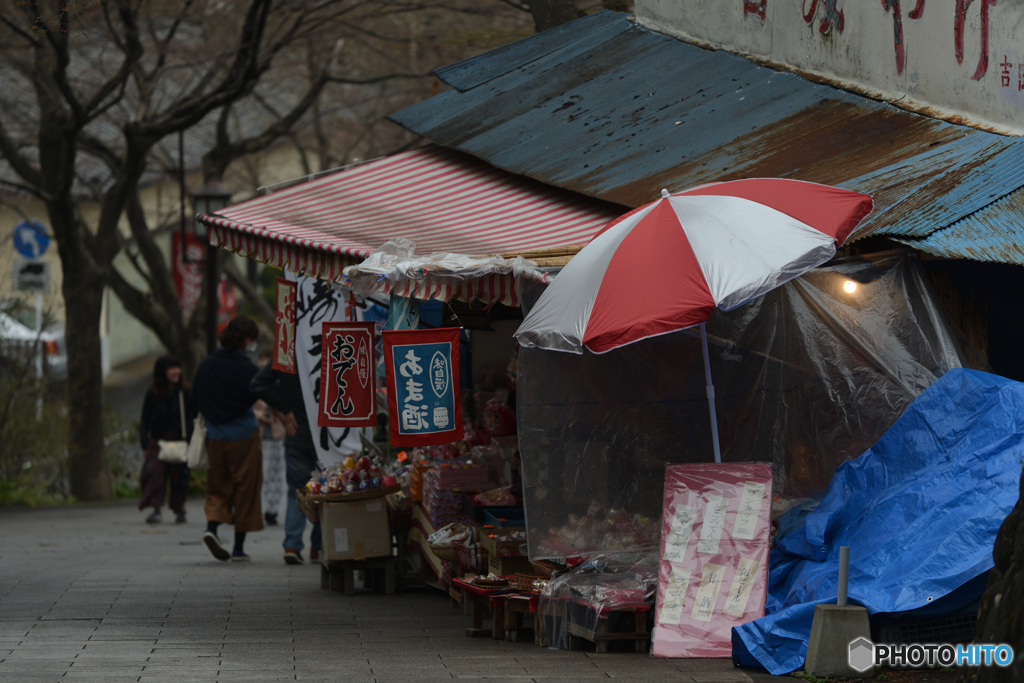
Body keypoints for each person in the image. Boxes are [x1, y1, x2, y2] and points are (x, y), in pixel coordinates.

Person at [192, 316, 263, 562]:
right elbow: (262, 391)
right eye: (252, 339)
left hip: (215, 436)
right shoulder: (248, 369)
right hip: (243, 435)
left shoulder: (207, 364)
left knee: (218, 485)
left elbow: (196, 398)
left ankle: (211, 529)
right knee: (246, 488)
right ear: (244, 340)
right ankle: (239, 548)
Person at [250, 356, 322, 564]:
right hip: (329, 437)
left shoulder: (289, 354)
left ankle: (292, 544)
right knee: (326, 491)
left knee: (296, 491)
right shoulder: (331, 344)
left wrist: (284, 408)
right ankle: (319, 547)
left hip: (296, 432)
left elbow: (257, 384)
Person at [138, 356, 195, 524]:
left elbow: (193, 416)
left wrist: (191, 439)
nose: (176, 372)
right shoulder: (152, 393)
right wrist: (145, 442)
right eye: (172, 368)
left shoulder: (185, 392)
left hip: (181, 441)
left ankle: (180, 508)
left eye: (178, 367)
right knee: (155, 474)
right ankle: (156, 508)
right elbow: (146, 419)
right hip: (159, 441)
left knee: (180, 477)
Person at [255, 350, 286, 527]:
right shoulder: (254, 381)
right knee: (261, 473)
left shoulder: (281, 382)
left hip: (278, 433)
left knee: (276, 474)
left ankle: (272, 510)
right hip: (259, 433)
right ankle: (259, 508)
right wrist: (259, 414)